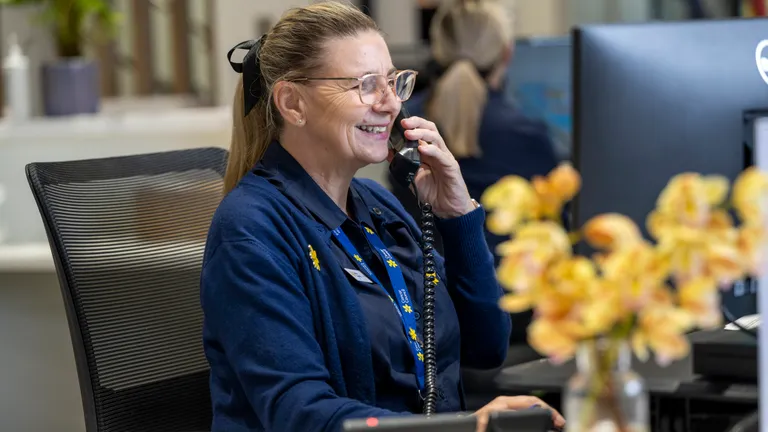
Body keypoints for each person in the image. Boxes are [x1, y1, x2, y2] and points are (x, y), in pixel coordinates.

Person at [200, 3, 565, 432]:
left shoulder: (377, 206)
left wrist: (458, 213)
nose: (391, 103)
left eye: (394, 82)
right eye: (366, 85)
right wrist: (466, 427)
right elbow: (297, 412)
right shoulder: (252, 229)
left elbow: (488, 346)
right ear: (292, 103)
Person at [388, 0, 561, 346]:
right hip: (514, 322)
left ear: (437, 49)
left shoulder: (403, 126)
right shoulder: (528, 134)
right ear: (506, 53)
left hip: (425, 315)